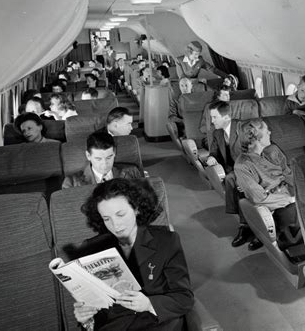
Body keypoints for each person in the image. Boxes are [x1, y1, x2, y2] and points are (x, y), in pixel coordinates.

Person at [73, 178, 194, 330]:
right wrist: (86, 319)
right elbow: (95, 306)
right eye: (106, 219)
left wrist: (149, 304)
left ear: (136, 208)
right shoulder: (92, 248)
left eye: (120, 214)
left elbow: (184, 298)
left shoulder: (167, 241)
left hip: (157, 324)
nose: (115, 225)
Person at [234, 119, 302, 252]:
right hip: (276, 205)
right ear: (256, 138)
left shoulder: (273, 151)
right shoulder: (242, 165)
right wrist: (291, 200)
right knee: (298, 217)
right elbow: (259, 198)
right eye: (266, 131)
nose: (270, 132)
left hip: (289, 194)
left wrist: (303, 191)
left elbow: (288, 174)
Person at [205, 101, 255, 248]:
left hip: (249, 167)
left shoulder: (243, 128)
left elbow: (252, 154)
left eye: (214, 117)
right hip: (231, 168)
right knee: (232, 179)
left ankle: (245, 227)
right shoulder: (217, 133)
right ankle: (246, 224)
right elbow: (213, 151)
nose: (212, 121)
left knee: (232, 180)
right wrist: (212, 157)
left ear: (226, 117)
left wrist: (242, 173)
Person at [62, 131, 141, 188]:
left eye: (109, 157)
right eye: (98, 159)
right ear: (88, 156)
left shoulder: (132, 172)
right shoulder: (72, 183)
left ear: (114, 152)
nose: (105, 164)